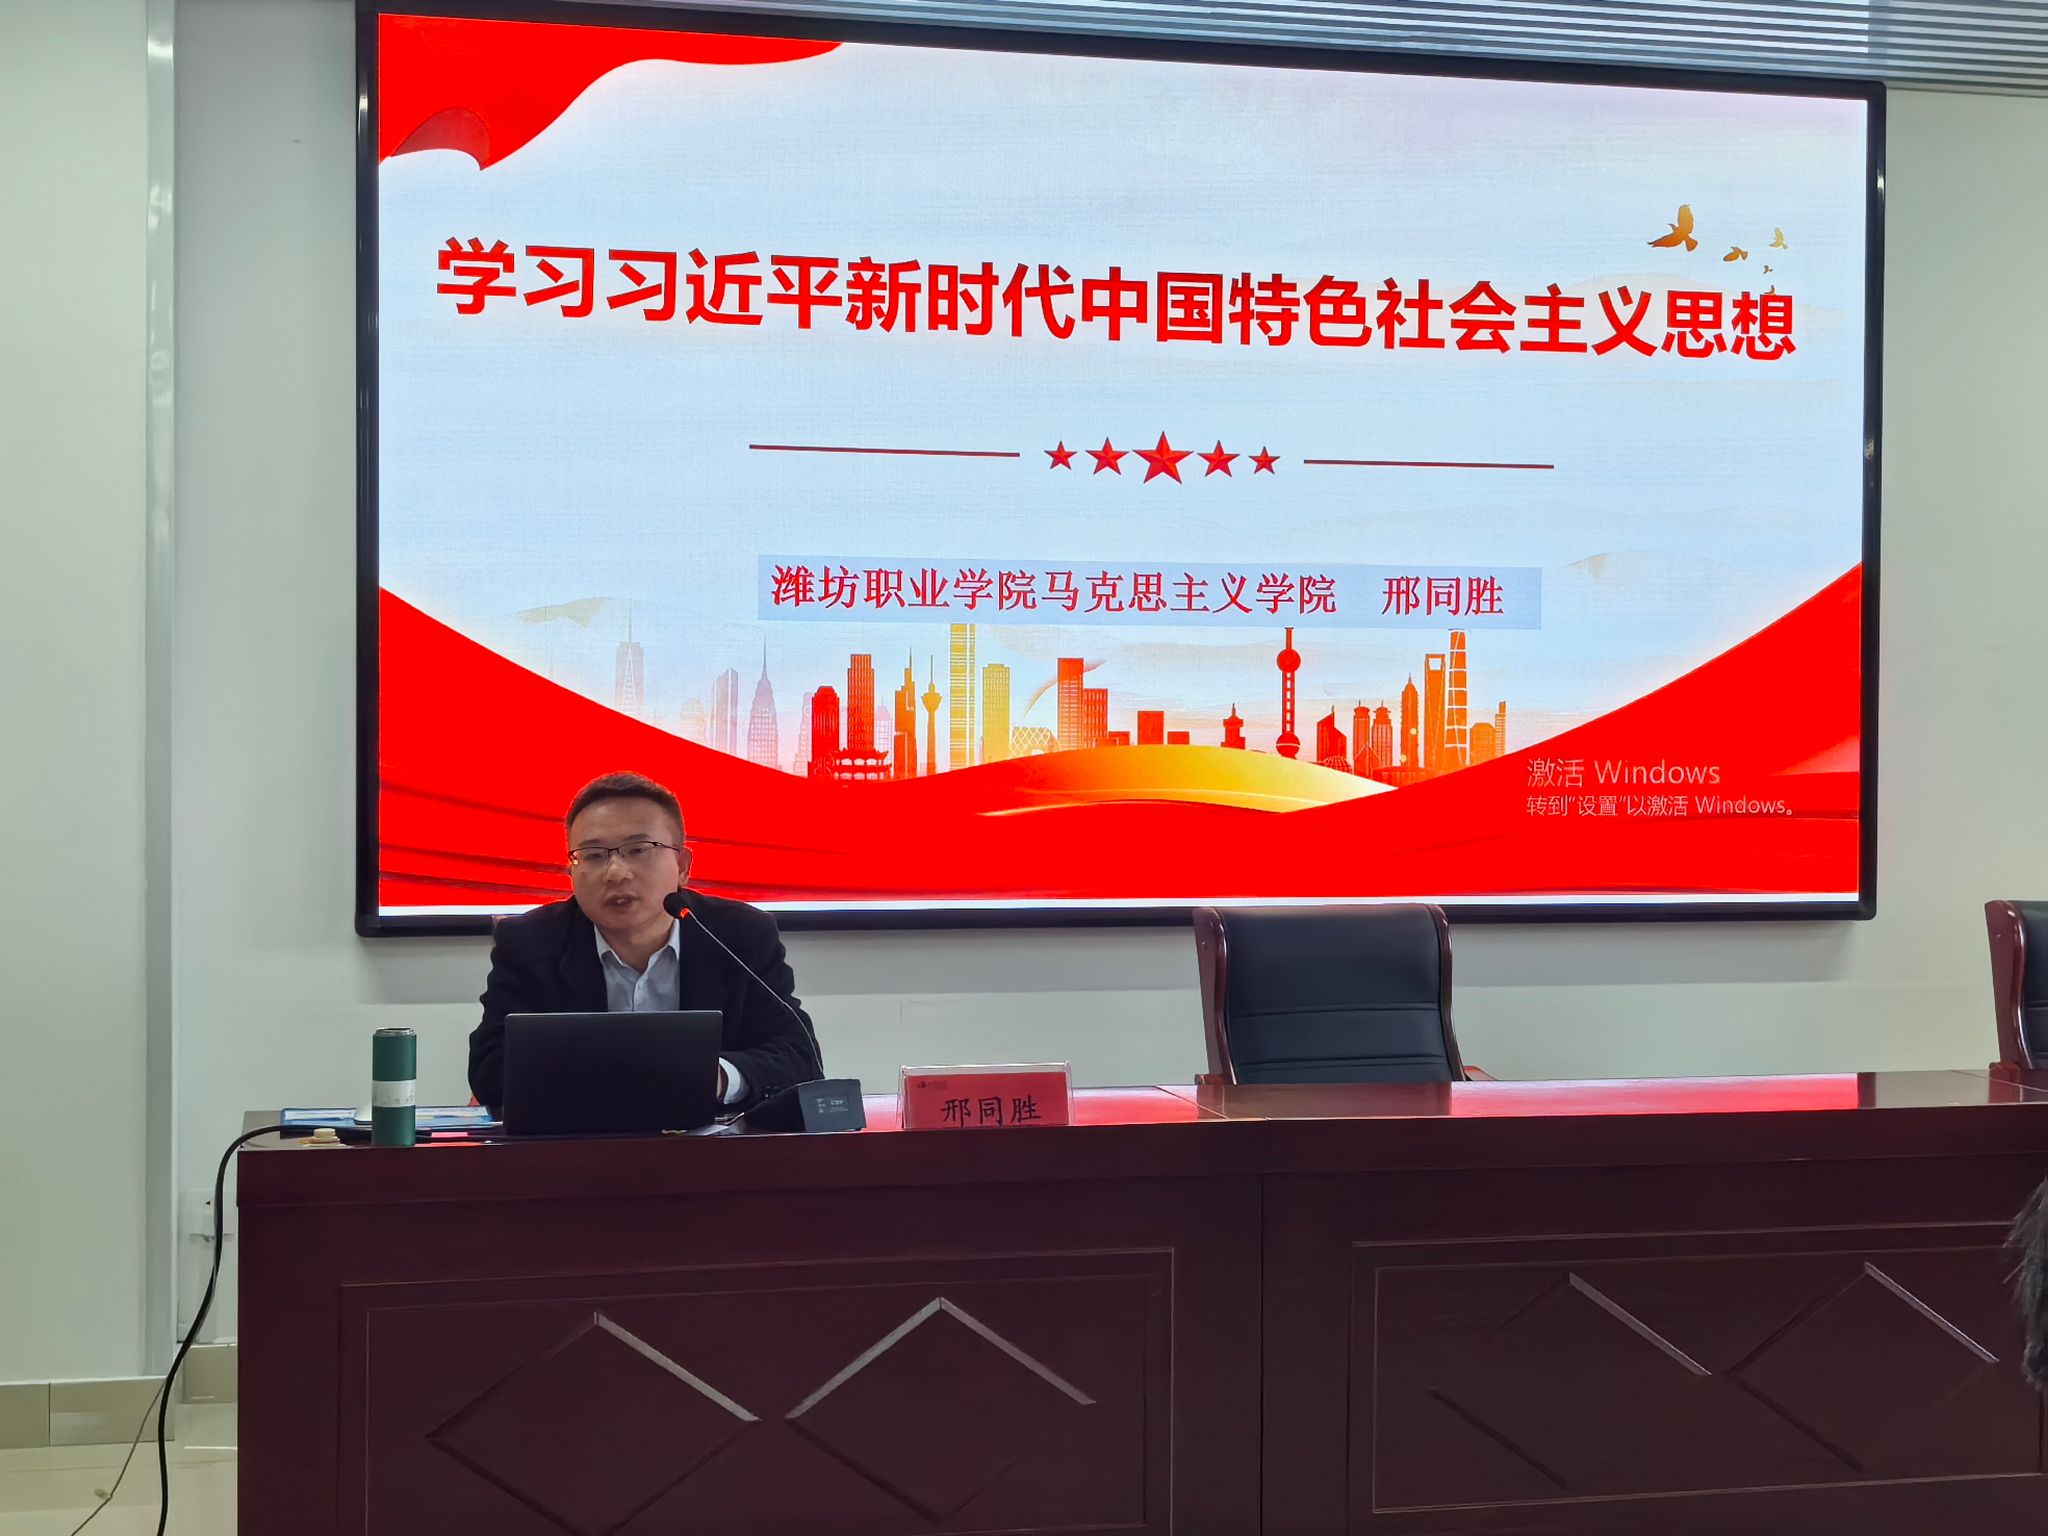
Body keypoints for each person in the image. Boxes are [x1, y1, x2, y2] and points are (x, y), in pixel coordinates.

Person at [467, 770, 821, 1111]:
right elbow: (490, 1071)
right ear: (571, 870)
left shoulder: (740, 934)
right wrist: (622, 1079)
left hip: (708, 1144)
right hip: (577, 1143)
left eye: (638, 849)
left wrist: (716, 1077)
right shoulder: (529, 942)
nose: (616, 873)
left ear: (682, 865)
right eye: (593, 855)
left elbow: (799, 1056)